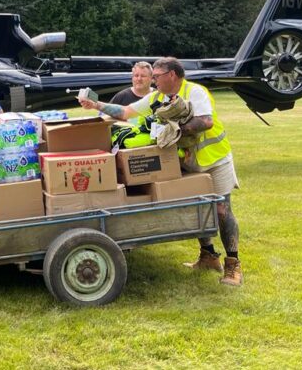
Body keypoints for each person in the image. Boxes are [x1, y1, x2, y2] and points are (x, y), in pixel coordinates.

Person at [79, 57, 242, 286]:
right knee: (196, 204)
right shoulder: (157, 97)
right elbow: (126, 112)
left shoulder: (195, 92)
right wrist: (96, 105)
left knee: (222, 209)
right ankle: (208, 256)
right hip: (186, 160)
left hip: (214, 159)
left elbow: (206, 122)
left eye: (156, 76)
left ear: (172, 75)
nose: (153, 80)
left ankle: (233, 265)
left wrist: (175, 129)